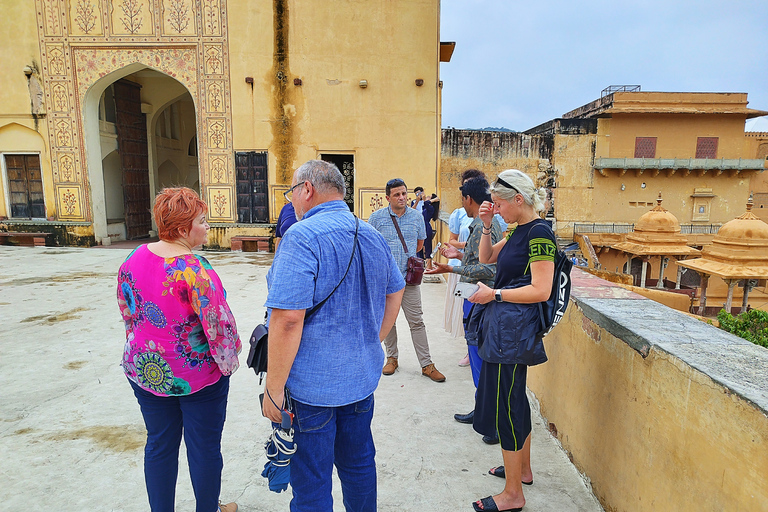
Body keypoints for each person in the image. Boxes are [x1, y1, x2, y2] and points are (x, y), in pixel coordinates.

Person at [262, 160, 405, 512]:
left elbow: (287, 321)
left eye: (292, 192)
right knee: (358, 465)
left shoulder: (301, 236)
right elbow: (395, 292)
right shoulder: (370, 233)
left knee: (311, 480)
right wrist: (373, 339)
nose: (292, 201)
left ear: (307, 189)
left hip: (312, 388)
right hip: (360, 380)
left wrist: (274, 391)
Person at [117, 187, 241, 512]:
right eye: (202, 221)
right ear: (184, 229)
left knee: (159, 444)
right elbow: (219, 327)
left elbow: (127, 310)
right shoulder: (195, 269)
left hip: (146, 372)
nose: (207, 226)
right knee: (204, 449)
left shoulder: (133, 258)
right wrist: (229, 364)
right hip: (197, 378)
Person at [467, 169, 556, 512]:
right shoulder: (520, 230)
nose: (498, 209)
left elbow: (541, 289)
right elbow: (487, 257)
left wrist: (496, 295)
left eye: (501, 205)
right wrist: (488, 226)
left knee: (507, 408)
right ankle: (524, 470)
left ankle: (513, 494)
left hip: (513, 335)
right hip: (506, 330)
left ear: (519, 200)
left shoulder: (538, 235)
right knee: (515, 401)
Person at [426, 177, 504, 442]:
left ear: (468, 200)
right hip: (473, 296)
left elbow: (490, 267)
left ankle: (492, 422)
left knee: (483, 362)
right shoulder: (476, 226)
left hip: (481, 297)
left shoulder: (489, 227)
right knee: (476, 360)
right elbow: (476, 258)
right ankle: (481, 410)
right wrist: (458, 257)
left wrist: (452, 268)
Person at [368, 178, 446, 382]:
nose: (402, 197)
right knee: (388, 321)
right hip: (385, 281)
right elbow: (372, 247)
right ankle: (391, 358)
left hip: (409, 279)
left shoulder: (417, 217)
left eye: (404, 193)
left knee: (417, 321)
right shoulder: (376, 218)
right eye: (396, 194)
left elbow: (420, 244)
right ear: (388, 197)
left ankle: (427, 364)